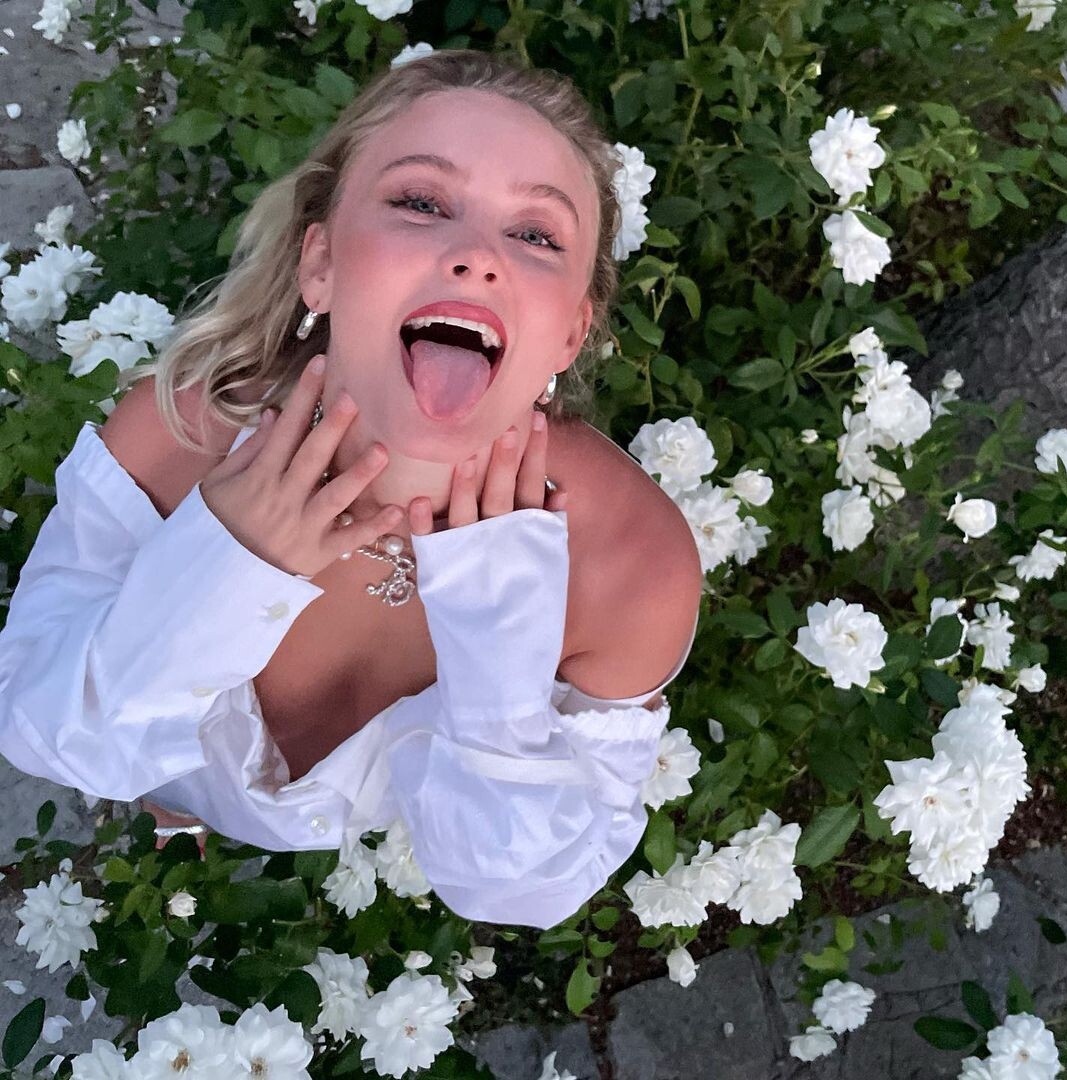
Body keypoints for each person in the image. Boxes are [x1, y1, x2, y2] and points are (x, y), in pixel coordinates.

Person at [0, 49, 702, 929]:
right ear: (321, 263)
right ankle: (178, 810)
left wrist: (498, 678)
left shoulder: (628, 563)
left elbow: (520, 892)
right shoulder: (186, 431)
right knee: (169, 782)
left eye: (536, 235)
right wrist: (219, 568)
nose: (477, 257)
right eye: (421, 203)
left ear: (571, 331)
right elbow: (40, 726)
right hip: (172, 768)